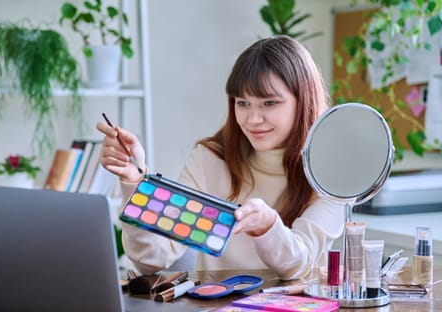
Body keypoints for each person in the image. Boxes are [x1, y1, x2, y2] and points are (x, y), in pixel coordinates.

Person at [97, 35, 344, 280]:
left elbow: (298, 265)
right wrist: (134, 183)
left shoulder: (329, 178)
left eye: (269, 103)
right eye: (243, 103)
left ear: (304, 102)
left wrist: (268, 226)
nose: (253, 119)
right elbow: (153, 261)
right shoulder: (210, 160)